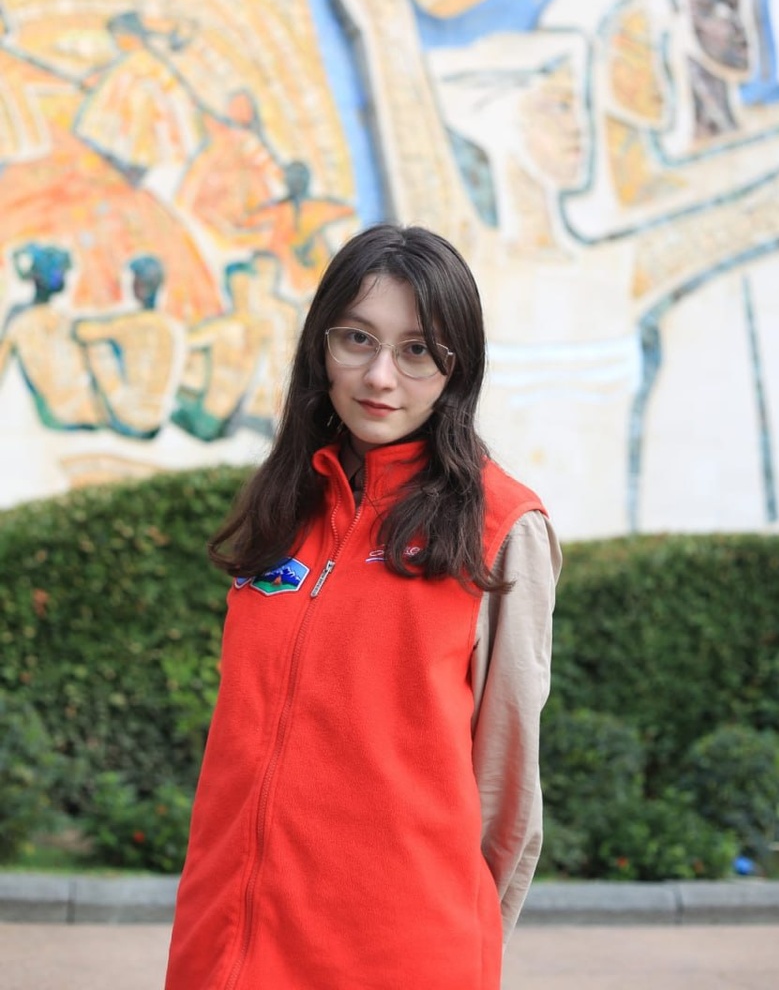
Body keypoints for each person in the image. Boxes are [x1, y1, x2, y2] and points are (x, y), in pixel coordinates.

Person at [163, 223, 561, 990]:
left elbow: (506, 787)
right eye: (357, 339)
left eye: (417, 350)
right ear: (321, 345)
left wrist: (466, 942)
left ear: (456, 368)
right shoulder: (285, 503)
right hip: (227, 945)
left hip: (398, 954)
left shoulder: (502, 528)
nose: (380, 376)